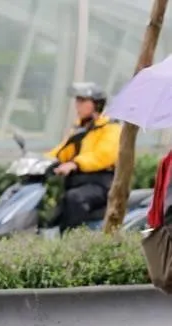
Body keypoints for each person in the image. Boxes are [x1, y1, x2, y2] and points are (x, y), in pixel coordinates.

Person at [45, 82, 122, 231]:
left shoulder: (111, 128)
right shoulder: (80, 128)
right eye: (77, 101)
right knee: (56, 210)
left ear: (96, 105)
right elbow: (63, 150)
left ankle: (73, 242)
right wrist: (41, 160)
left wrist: (75, 164)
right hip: (80, 182)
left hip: (102, 183)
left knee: (74, 198)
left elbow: (104, 155)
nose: (77, 105)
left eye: (82, 101)